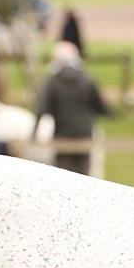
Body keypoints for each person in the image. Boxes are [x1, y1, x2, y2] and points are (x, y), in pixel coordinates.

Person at [33, 42, 110, 176]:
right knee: (84, 176)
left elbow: (42, 109)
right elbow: (100, 107)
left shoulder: (52, 81)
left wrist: (33, 134)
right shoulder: (87, 79)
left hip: (62, 135)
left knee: (63, 175)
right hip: (85, 133)